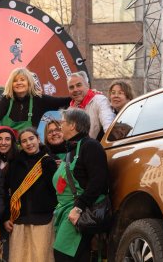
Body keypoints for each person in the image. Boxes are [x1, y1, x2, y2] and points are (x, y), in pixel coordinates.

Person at [52, 108, 109, 261]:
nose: (60, 127)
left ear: (73, 125)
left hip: (79, 211)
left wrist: (78, 208)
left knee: (63, 256)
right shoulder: (71, 149)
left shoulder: (90, 146)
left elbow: (98, 181)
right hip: (67, 212)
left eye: (62, 123)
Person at [4, 127, 57, 262]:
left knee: (42, 258)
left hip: (43, 219)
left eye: (31, 139)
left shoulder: (50, 162)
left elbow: (57, 191)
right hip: (19, 221)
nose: (29, 143)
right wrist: (6, 217)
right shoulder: (14, 163)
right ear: (20, 145)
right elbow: (5, 191)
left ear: (38, 139)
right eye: (24, 141)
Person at [0, 67, 70, 135]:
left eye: (22, 80)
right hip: (6, 147)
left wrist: (79, 96)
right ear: (11, 84)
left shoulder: (39, 99)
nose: (19, 83)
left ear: (29, 83)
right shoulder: (6, 99)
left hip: (28, 149)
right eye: (15, 81)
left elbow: (61, 103)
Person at [0, 126, 18, 262]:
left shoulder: (19, 161)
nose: (3, 142)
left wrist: (8, 217)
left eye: (7, 139)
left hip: (12, 217)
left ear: (13, 142)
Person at [67, 71, 115, 139]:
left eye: (79, 85)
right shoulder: (70, 109)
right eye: (71, 87)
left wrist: (111, 138)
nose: (75, 89)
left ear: (87, 85)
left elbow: (108, 123)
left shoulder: (100, 100)